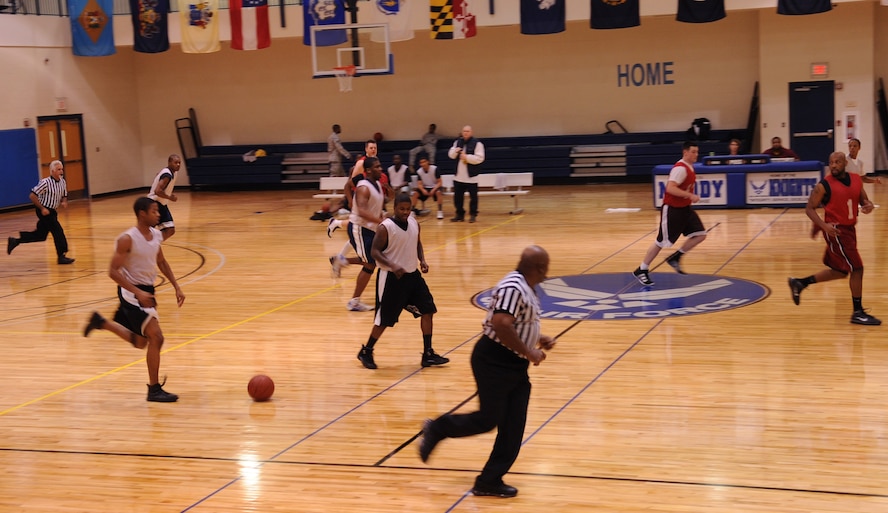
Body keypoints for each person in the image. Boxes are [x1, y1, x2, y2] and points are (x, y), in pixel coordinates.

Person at [418, 245, 555, 498]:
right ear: (539, 268)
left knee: (513, 426)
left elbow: (516, 323)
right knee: (488, 419)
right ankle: (438, 428)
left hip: (513, 364)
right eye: (546, 269)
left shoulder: (524, 286)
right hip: (494, 360)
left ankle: (489, 481)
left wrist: (537, 336)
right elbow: (500, 324)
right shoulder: (514, 287)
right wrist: (529, 351)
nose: (547, 274)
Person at [83, 197, 186, 402]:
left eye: (158, 211)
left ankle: (102, 323)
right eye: (154, 211)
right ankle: (154, 390)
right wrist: (137, 293)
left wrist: (177, 286)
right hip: (131, 293)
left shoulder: (156, 235)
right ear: (142, 214)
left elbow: (162, 262)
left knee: (141, 343)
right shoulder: (127, 239)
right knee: (157, 337)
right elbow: (112, 271)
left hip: (147, 291)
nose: (158, 214)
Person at [356, 193, 450, 369]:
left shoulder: (414, 222)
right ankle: (366, 351)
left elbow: (417, 243)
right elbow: (375, 252)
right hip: (391, 278)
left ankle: (428, 353)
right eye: (402, 209)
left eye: (408, 209)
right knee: (384, 320)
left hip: (413, 276)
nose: (405, 212)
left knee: (428, 310)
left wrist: (422, 260)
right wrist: (392, 265)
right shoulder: (385, 227)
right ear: (395, 208)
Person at [788, 152, 880, 326]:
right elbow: (809, 209)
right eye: (831, 162)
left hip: (850, 230)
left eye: (837, 162)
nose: (834, 165)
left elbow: (864, 201)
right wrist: (823, 226)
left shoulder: (856, 179)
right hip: (836, 231)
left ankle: (800, 283)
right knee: (857, 269)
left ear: (845, 163)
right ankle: (858, 312)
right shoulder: (824, 185)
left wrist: (868, 206)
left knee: (840, 271)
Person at [633, 141, 706, 285]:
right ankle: (642, 269)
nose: (696, 154)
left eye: (697, 152)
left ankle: (676, 257)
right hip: (673, 209)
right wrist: (690, 195)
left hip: (685, 208)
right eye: (693, 152)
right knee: (661, 242)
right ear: (685, 152)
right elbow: (670, 188)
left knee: (700, 234)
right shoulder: (680, 169)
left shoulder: (689, 166)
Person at [330, 156, 387, 311]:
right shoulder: (363, 187)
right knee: (370, 264)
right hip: (360, 229)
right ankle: (354, 302)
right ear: (368, 170)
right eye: (377, 167)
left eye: (380, 166)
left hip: (370, 228)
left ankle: (341, 261)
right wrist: (380, 221)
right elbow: (361, 211)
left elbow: (377, 206)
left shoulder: (377, 184)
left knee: (375, 260)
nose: (380, 169)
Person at [7, 160, 75, 264]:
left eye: (62, 169)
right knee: (58, 231)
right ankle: (61, 256)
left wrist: (64, 201)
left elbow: (64, 194)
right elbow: (32, 195)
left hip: (52, 211)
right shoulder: (45, 183)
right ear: (52, 171)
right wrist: (42, 208)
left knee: (41, 235)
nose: (61, 171)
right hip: (44, 211)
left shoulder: (62, 182)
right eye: (58, 169)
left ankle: (15, 241)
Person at [448, 125, 485, 223]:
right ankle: (459, 214)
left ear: (471, 132)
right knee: (458, 198)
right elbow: (450, 155)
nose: (465, 133)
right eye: (464, 131)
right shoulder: (457, 142)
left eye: (467, 131)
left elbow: (480, 158)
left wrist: (467, 157)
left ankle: (473, 215)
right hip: (458, 177)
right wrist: (455, 151)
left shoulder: (477, 144)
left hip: (471, 177)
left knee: (473, 198)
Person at [147, 154, 182, 241]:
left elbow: (158, 175)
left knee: (169, 230)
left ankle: (152, 244)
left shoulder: (172, 172)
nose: (178, 164)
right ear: (169, 162)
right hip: (155, 203)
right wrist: (170, 197)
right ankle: (150, 244)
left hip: (160, 203)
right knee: (168, 230)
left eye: (179, 163)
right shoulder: (167, 175)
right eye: (175, 162)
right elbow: (157, 191)